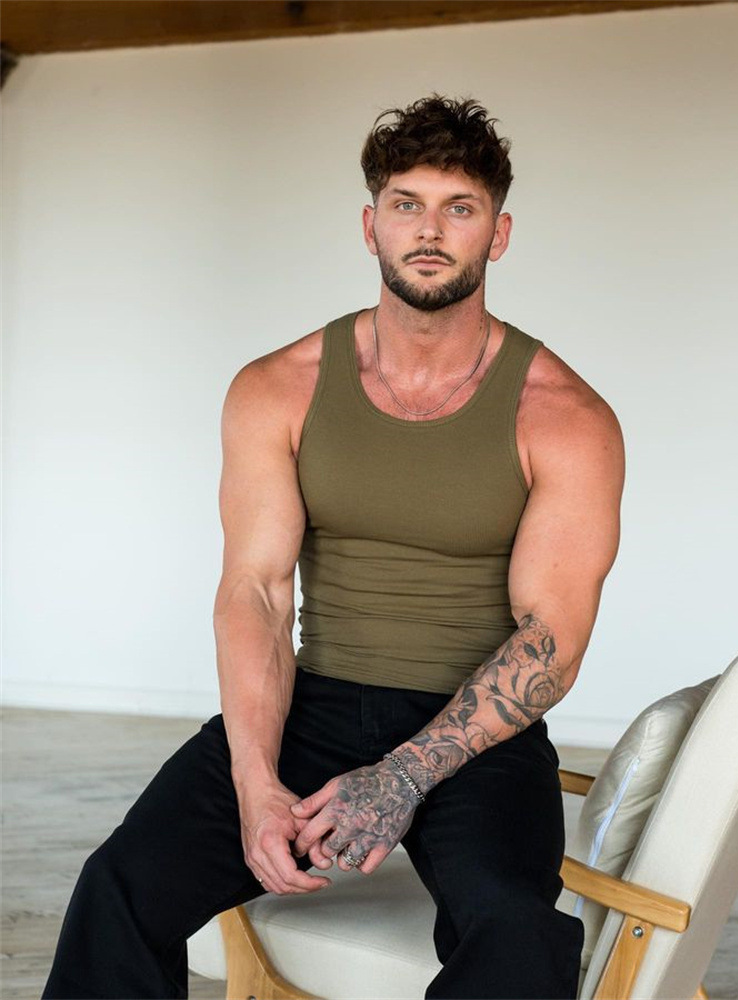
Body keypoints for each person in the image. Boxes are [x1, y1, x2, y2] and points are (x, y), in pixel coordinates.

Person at [42, 94, 625, 1000]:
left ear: (498, 234)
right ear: (370, 225)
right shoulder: (279, 387)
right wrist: (254, 785)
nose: (428, 230)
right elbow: (257, 592)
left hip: (478, 733)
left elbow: (553, 641)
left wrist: (402, 777)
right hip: (311, 705)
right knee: (119, 887)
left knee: (515, 930)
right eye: (406, 204)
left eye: (459, 208)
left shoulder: (565, 417)